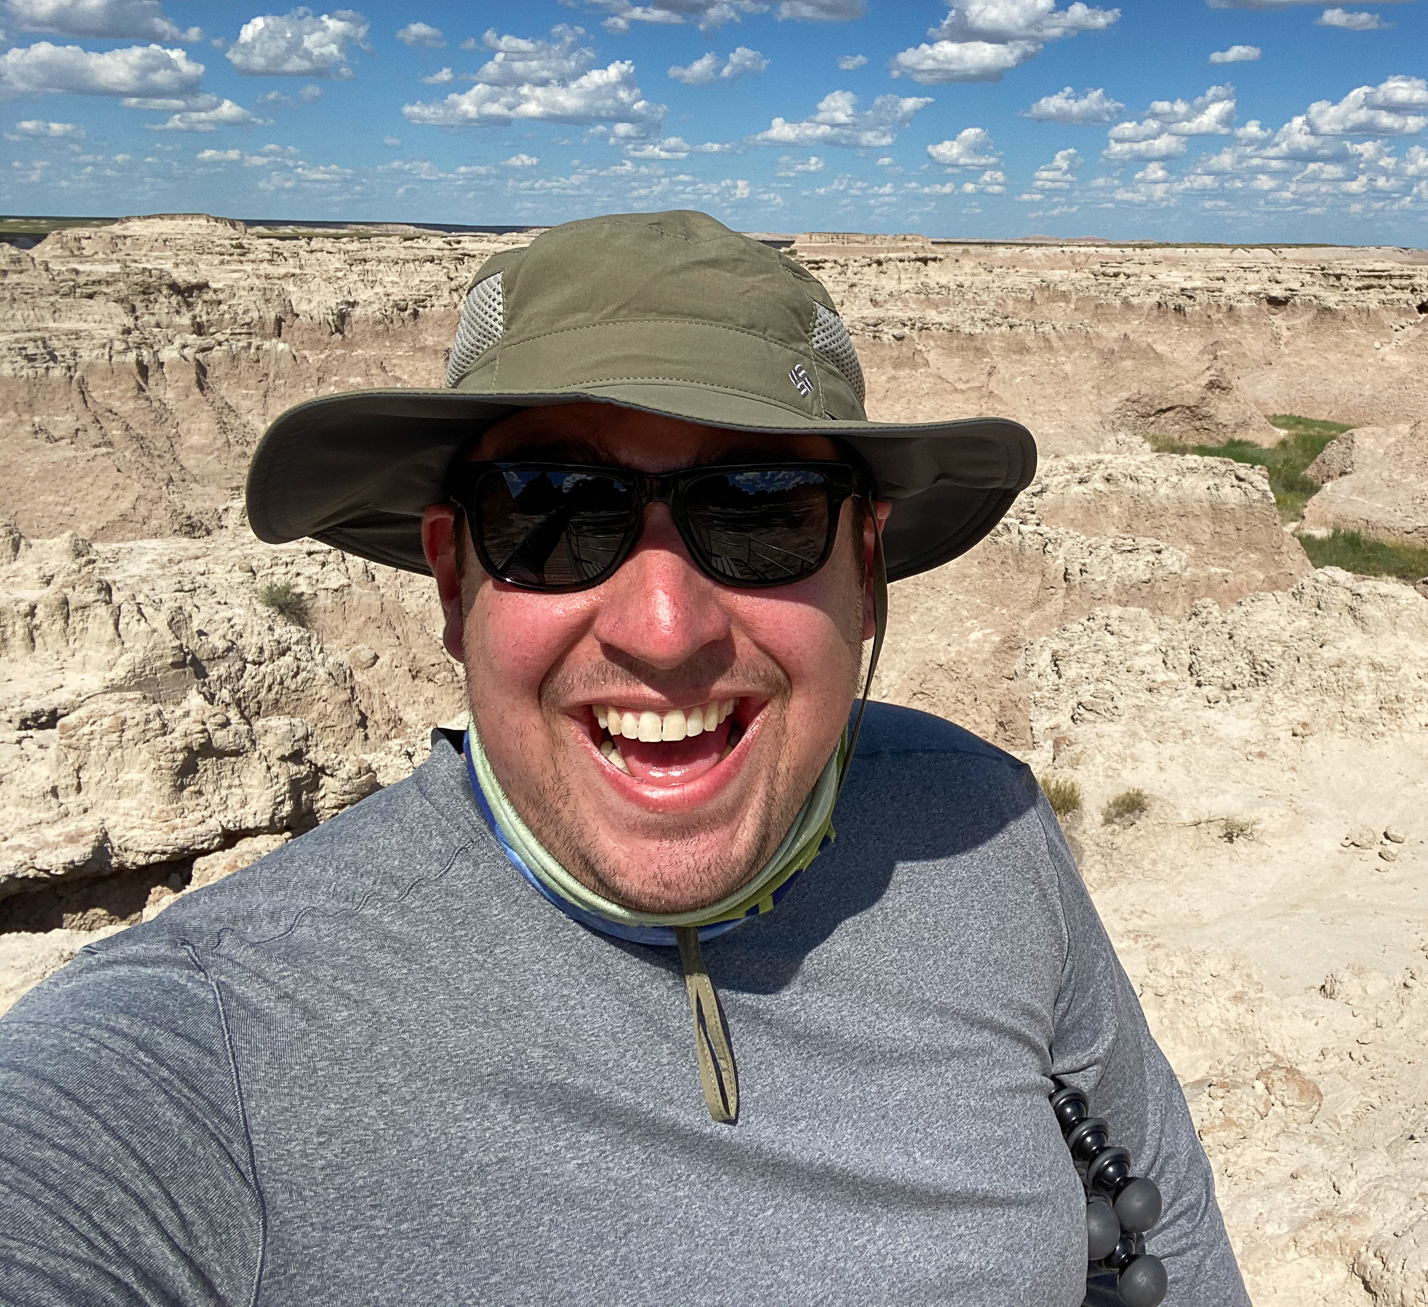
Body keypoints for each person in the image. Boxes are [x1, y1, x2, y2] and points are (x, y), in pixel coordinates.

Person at [0, 209, 1249, 1306]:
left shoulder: (979, 823)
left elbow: (1165, 1235)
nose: (664, 630)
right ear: (453, 580)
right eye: (554, 512)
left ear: (865, 571)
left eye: (760, 512)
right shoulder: (196, 1054)